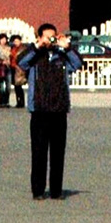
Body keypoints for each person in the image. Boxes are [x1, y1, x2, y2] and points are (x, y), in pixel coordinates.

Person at [17, 24, 83, 200]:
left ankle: (56, 190)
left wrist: (67, 47)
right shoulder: (34, 57)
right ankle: (38, 190)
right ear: (39, 37)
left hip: (59, 110)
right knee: (38, 152)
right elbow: (20, 62)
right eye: (46, 37)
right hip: (39, 110)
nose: (50, 41)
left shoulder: (62, 57)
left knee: (58, 153)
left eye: (52, 37)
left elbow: (78, 64)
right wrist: (37, 46)